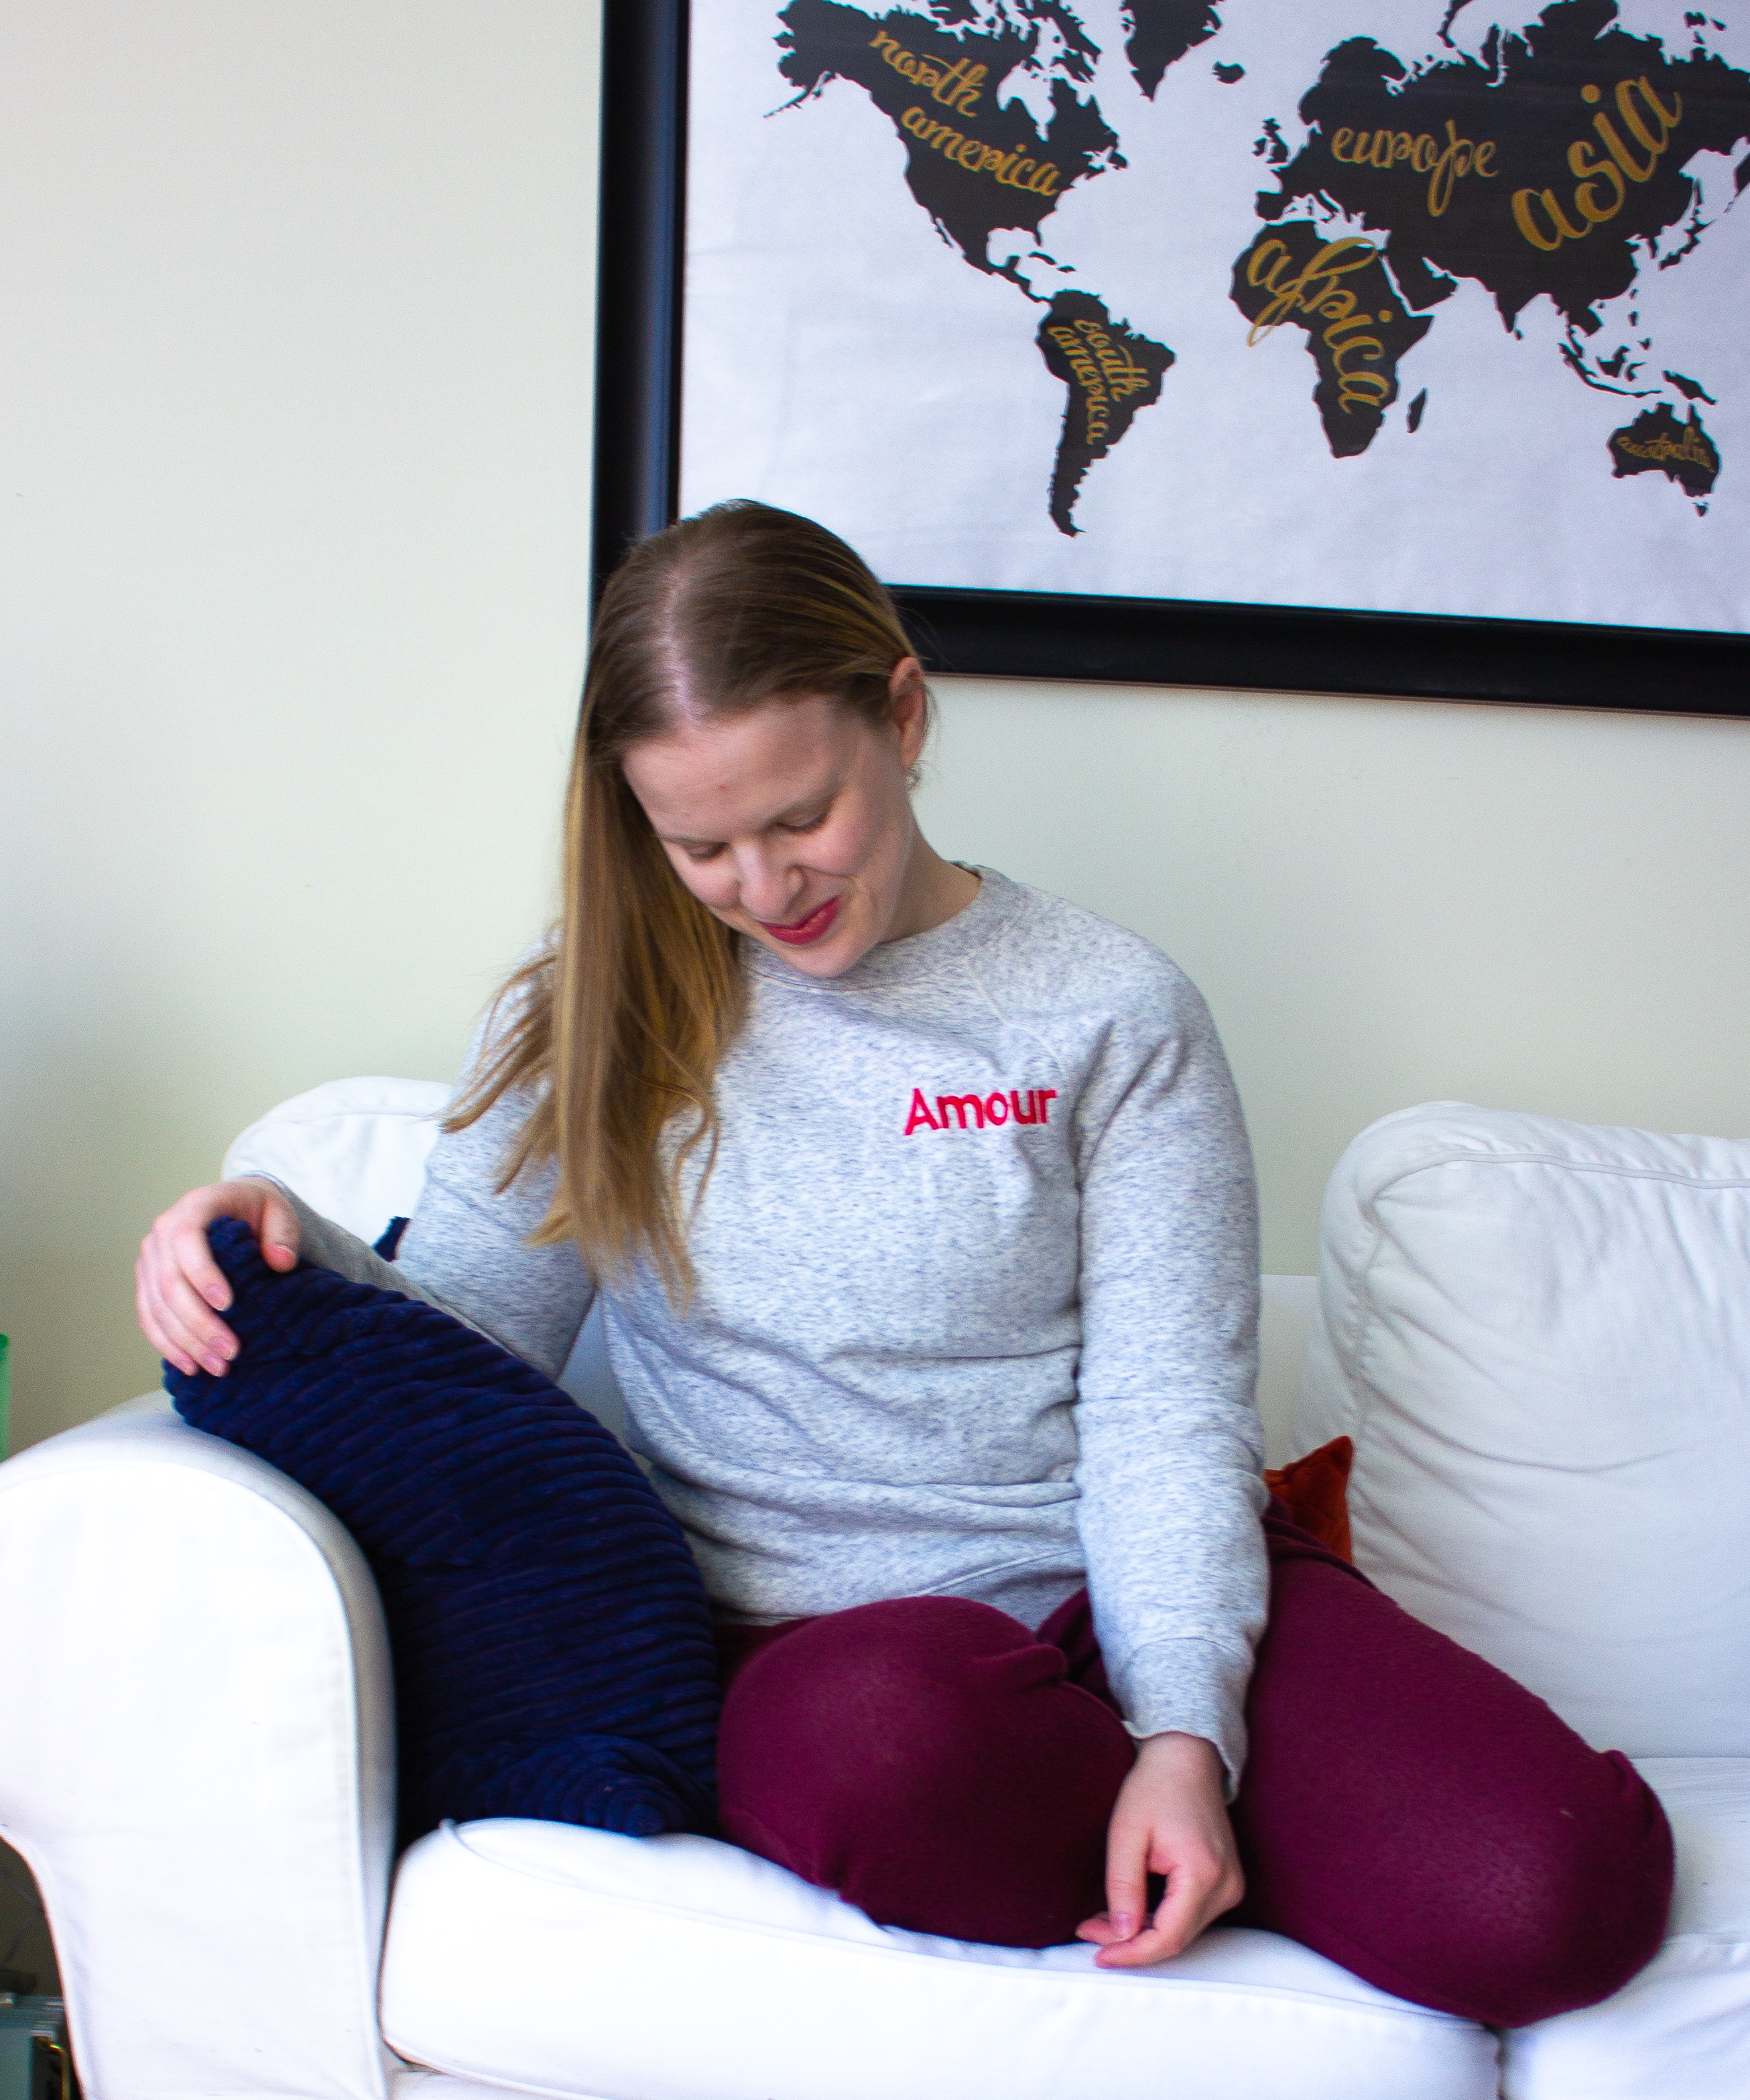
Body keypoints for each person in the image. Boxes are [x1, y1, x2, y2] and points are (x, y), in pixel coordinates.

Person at [136, 500, 1671, 2022]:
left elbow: (1163, 1413)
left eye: (802, 816)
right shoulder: (591, 1022)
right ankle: (1167, 1833)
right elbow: (465, 1363)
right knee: (885, 1747)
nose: (763, 884)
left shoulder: (1107, 1009)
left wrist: (1184, 1734)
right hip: (830, 1663)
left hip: (1106, 1591)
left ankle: (1186, 1815)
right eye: (700, 844)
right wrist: (285, 1237)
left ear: (902, 710)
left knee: (1558, 1897)